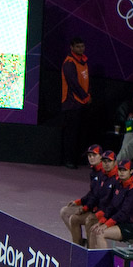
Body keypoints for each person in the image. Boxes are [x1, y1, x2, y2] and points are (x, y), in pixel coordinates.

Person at [87, 159, 133, 249]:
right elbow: (112, 206)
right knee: (93, 230)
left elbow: (124, 212)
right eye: (120, 170)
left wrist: (107, 224)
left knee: (100, 233)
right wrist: (102, 221)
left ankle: (103, 258)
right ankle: (91, 257)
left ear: (131, 171)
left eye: (124, 170)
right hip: (121, 222)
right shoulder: (118, 185)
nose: (121, 172)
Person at [60, 144, 106, 245]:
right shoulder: (93, 172)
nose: (91, 158)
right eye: (89, 156)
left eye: (94, 155)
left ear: (101, 157)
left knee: (80, 218)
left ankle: (89, 245)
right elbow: (92, 193)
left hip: (98, 210)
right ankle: (79, 241)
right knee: (64, 212)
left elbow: (97, 196)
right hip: (91, 207)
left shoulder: (104, 173)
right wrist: (78, 202)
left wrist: (84, 208)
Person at [59, 38, 92, 169]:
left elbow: (86, 81)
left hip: (82, 103)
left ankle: (78, 158)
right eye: (78, 47)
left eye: (82, 46)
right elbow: (73, 83)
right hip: (71, 103)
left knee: (80, 133)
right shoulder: (69, 63)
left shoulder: (83, 62)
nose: (81, 49)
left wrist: (87, 96)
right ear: (71, 47)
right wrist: (85, 97)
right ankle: (68, 159)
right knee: (71, 134)